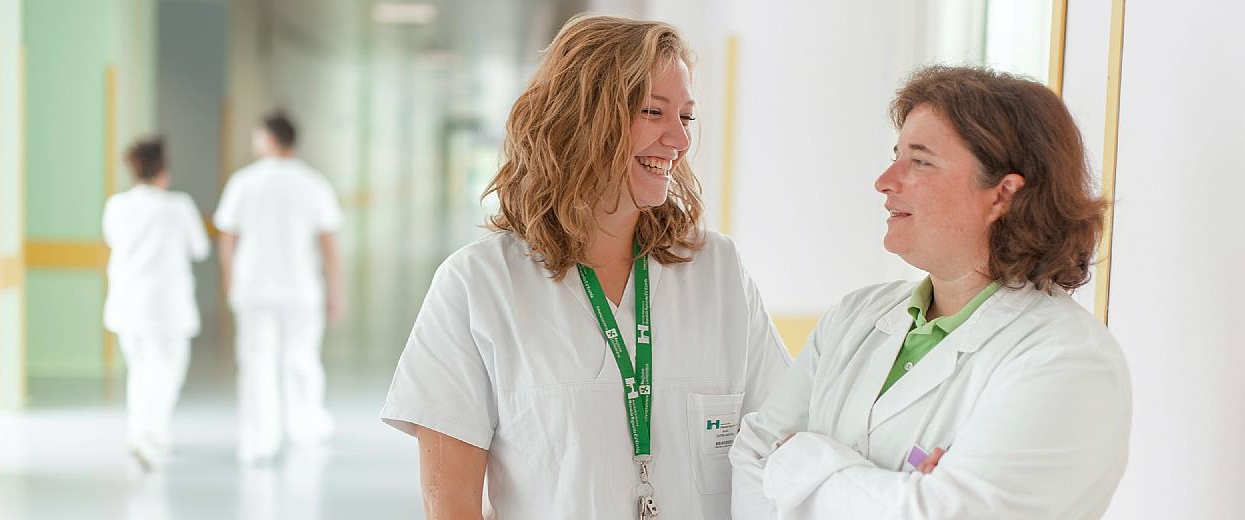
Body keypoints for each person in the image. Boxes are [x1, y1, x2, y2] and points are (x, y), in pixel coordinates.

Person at [380, 15, 792, 519]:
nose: (679, 140)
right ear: (581, 117)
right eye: (652, 111)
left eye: (685, 117)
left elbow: (781, 446)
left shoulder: (719, 272)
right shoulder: (478, 286)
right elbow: (450, 505)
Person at [729, 65, 1132, 519]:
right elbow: (752, 458)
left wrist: (797, 460)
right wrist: (903, 492)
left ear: (1002, 195)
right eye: (896, 154)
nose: (884, 180)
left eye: (919, 161)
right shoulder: (854, 317)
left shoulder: (1067, 359)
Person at [213, 111, 344, 465]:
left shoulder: (243, 182)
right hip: (302, 288)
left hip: (253, 288)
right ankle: (306, 426)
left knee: (256, 362)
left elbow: (228, 238)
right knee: (302, 358)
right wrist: (336, 290)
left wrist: (229, 278)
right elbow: (329, 244)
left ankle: (258, 440)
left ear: (269, 139)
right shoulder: (314, 183)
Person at [103, 137, 209, 469]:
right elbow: (200, 248)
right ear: (164, 171)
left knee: (140, 369)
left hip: (128, 301)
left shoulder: (116, 206)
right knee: (169, 369)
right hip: (168, 303)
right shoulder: (178, 206)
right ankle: (153, 431)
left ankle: (141, 431)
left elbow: (112, 240)